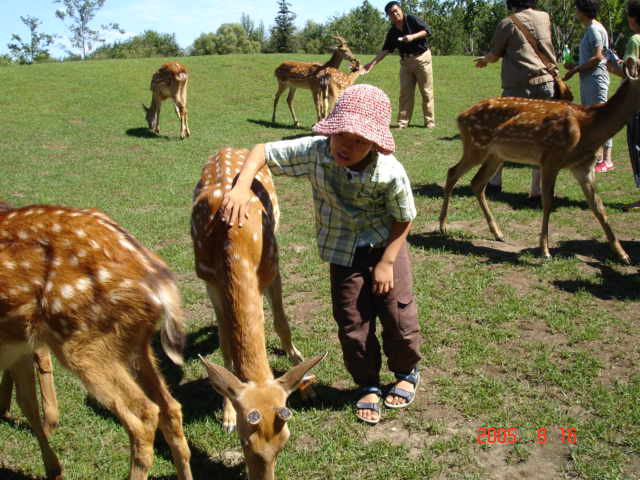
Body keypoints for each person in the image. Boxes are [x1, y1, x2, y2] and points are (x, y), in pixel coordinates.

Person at [221, 85, 422, 425]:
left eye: (359, 140)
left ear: (374, 143)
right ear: (330, 129)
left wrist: (387, 262)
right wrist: (240, 187)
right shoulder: (315, 151)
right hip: (343, 252)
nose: (347, 145)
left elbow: (404, 217)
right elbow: (261, 151)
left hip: (385, 247)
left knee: (397, 314)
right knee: (351, 322)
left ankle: (406, 372)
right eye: (341, 134)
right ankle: (368, 384)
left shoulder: (389, 171)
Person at [474, 0, 557, 201]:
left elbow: (494, 55)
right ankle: (537, 190)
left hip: (520, 87)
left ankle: (494, 182)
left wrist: (484, 61)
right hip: (547, 83)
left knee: (501, 133)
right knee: (543, 138)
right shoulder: (545, 17)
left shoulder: (508, 23)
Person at [364, 1, 435, 129]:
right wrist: (371, 64)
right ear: (388, 16)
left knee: (426, 91)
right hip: (406, 62)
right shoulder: (392, 32)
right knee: (405, 93)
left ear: (401, 10)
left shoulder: (411, 19)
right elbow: (385, 50)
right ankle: (403, 122)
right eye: (391, 13)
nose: (395, 14)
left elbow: (427, 30)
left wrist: (413, 37)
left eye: (396, 10)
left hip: (422, 58)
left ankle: (429, 121)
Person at [563, 0, 614, 172]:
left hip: (595, 79)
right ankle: (597, 156)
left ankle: (607, 159)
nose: (575, 12)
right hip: (588, 79)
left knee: (601, 118)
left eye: (577, 9)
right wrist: (576, 65)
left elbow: (598, 56)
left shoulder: (594, 29)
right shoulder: (591, 29)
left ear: (583, 10)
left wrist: (576, 69)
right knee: (591, 118)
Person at [607, 0, 640, 209]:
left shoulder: (634, 40)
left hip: (636, 102)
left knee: (637, 145)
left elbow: (631, 74)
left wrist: (612, 66)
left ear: (632, 18)